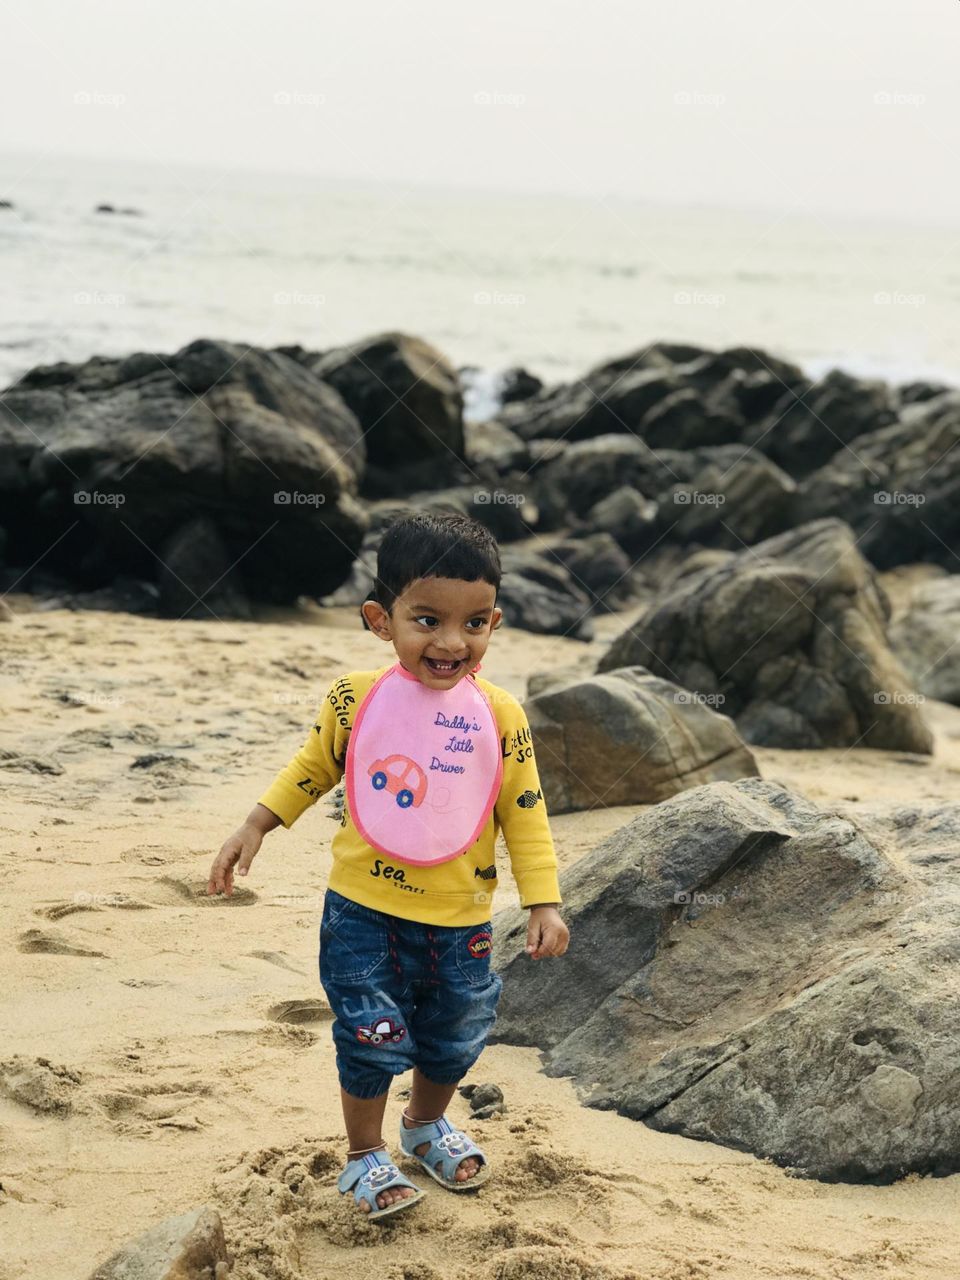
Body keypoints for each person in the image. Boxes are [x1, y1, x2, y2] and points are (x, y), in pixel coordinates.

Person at [207, 511, 569, 1220]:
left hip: (460, 920)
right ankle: (363, 1154)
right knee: (372, 1035)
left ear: (494, 623)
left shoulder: (499, 715)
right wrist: (257, 823)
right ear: (381, 618)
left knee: (455, 1033)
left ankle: (425, 1124)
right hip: (362, 916)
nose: (449, 642)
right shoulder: (355, 698)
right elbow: (313, 767)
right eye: (426, 619)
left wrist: (542, 900)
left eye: (473, 624)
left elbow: (524, 808)